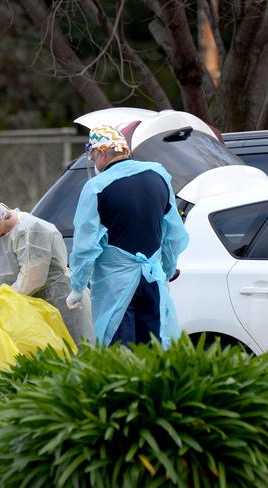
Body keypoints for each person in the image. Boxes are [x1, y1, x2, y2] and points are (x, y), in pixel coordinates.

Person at [66, 125, 188, 347]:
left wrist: (77, 285)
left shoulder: (96, 187)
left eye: (94, 157)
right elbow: (173, 232)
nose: (95, 163)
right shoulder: (158, 175)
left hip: (115, 285)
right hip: (153, 279)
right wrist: (167, 271)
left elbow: (86, 244)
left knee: (120, 354)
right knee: (154, 347)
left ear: (102, 153)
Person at [0, 197, 94, 346]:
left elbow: (32, 279)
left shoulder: (31, 230)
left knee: (78, 351)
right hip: (26, 310)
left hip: (59, 302)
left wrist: (1, 305)